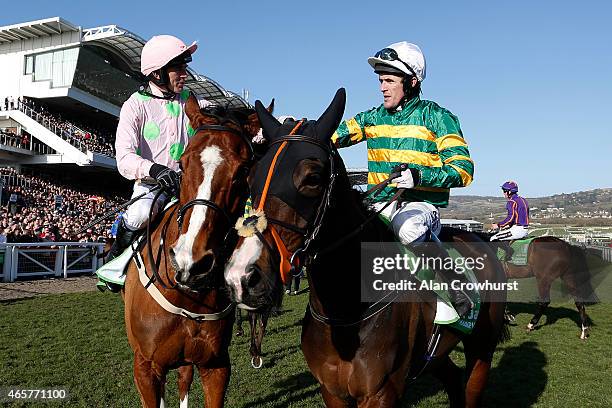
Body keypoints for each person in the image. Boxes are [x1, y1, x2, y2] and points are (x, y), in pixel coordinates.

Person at [332, 41, 475, 317]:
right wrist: (291, 130)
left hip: (419, 207)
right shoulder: (371, 118)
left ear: (411, 82)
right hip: (377, 206)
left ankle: (455, 285)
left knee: (406, 226)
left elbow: (463, 170)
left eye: (389, 80)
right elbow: (328, 136)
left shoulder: (439, 117)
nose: (382, 87)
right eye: (380, 80)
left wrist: (419, 176)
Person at [105, 34, 210, 268]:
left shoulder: (194, 102)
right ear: (157, 73)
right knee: (140, 214)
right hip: (153, 186)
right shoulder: (135, 105)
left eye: (185, 68)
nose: (185, 74)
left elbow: (223, 119)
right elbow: (124, 158)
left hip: (190, 185)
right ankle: (117, 259)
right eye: (178, 68)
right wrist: (156, 170)